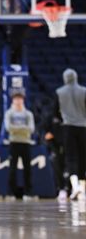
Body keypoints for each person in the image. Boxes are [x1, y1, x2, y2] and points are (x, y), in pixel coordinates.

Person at [56, 68, 86, 200]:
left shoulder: (59, 92)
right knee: (83, 157)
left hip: (68, 127)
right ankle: (83, 190)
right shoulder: (84, 91)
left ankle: (75, 187)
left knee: (71, 158)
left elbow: (55, 112)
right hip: (83, 127)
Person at [4, 90, 35, 199]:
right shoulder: (9, 113)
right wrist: (23, 128)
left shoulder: (28, 114)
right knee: (12, 168)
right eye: (16, 99)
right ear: (12, 100)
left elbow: (31, 129)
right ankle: (12, 193)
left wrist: (16, 128)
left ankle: (28, 193)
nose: (18, 101)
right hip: (13, 143)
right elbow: (8, 128)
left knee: (28, 168)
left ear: (23, 100)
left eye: (20, 98)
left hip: (26, 143)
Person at [43, 108, 67, 201]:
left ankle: (72, 188)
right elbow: (46, 133)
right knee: (57, 165)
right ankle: (61, 188)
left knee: (72, 166)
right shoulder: (51, 115)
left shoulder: (71, 113)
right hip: (54, 145)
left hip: (69, 144)